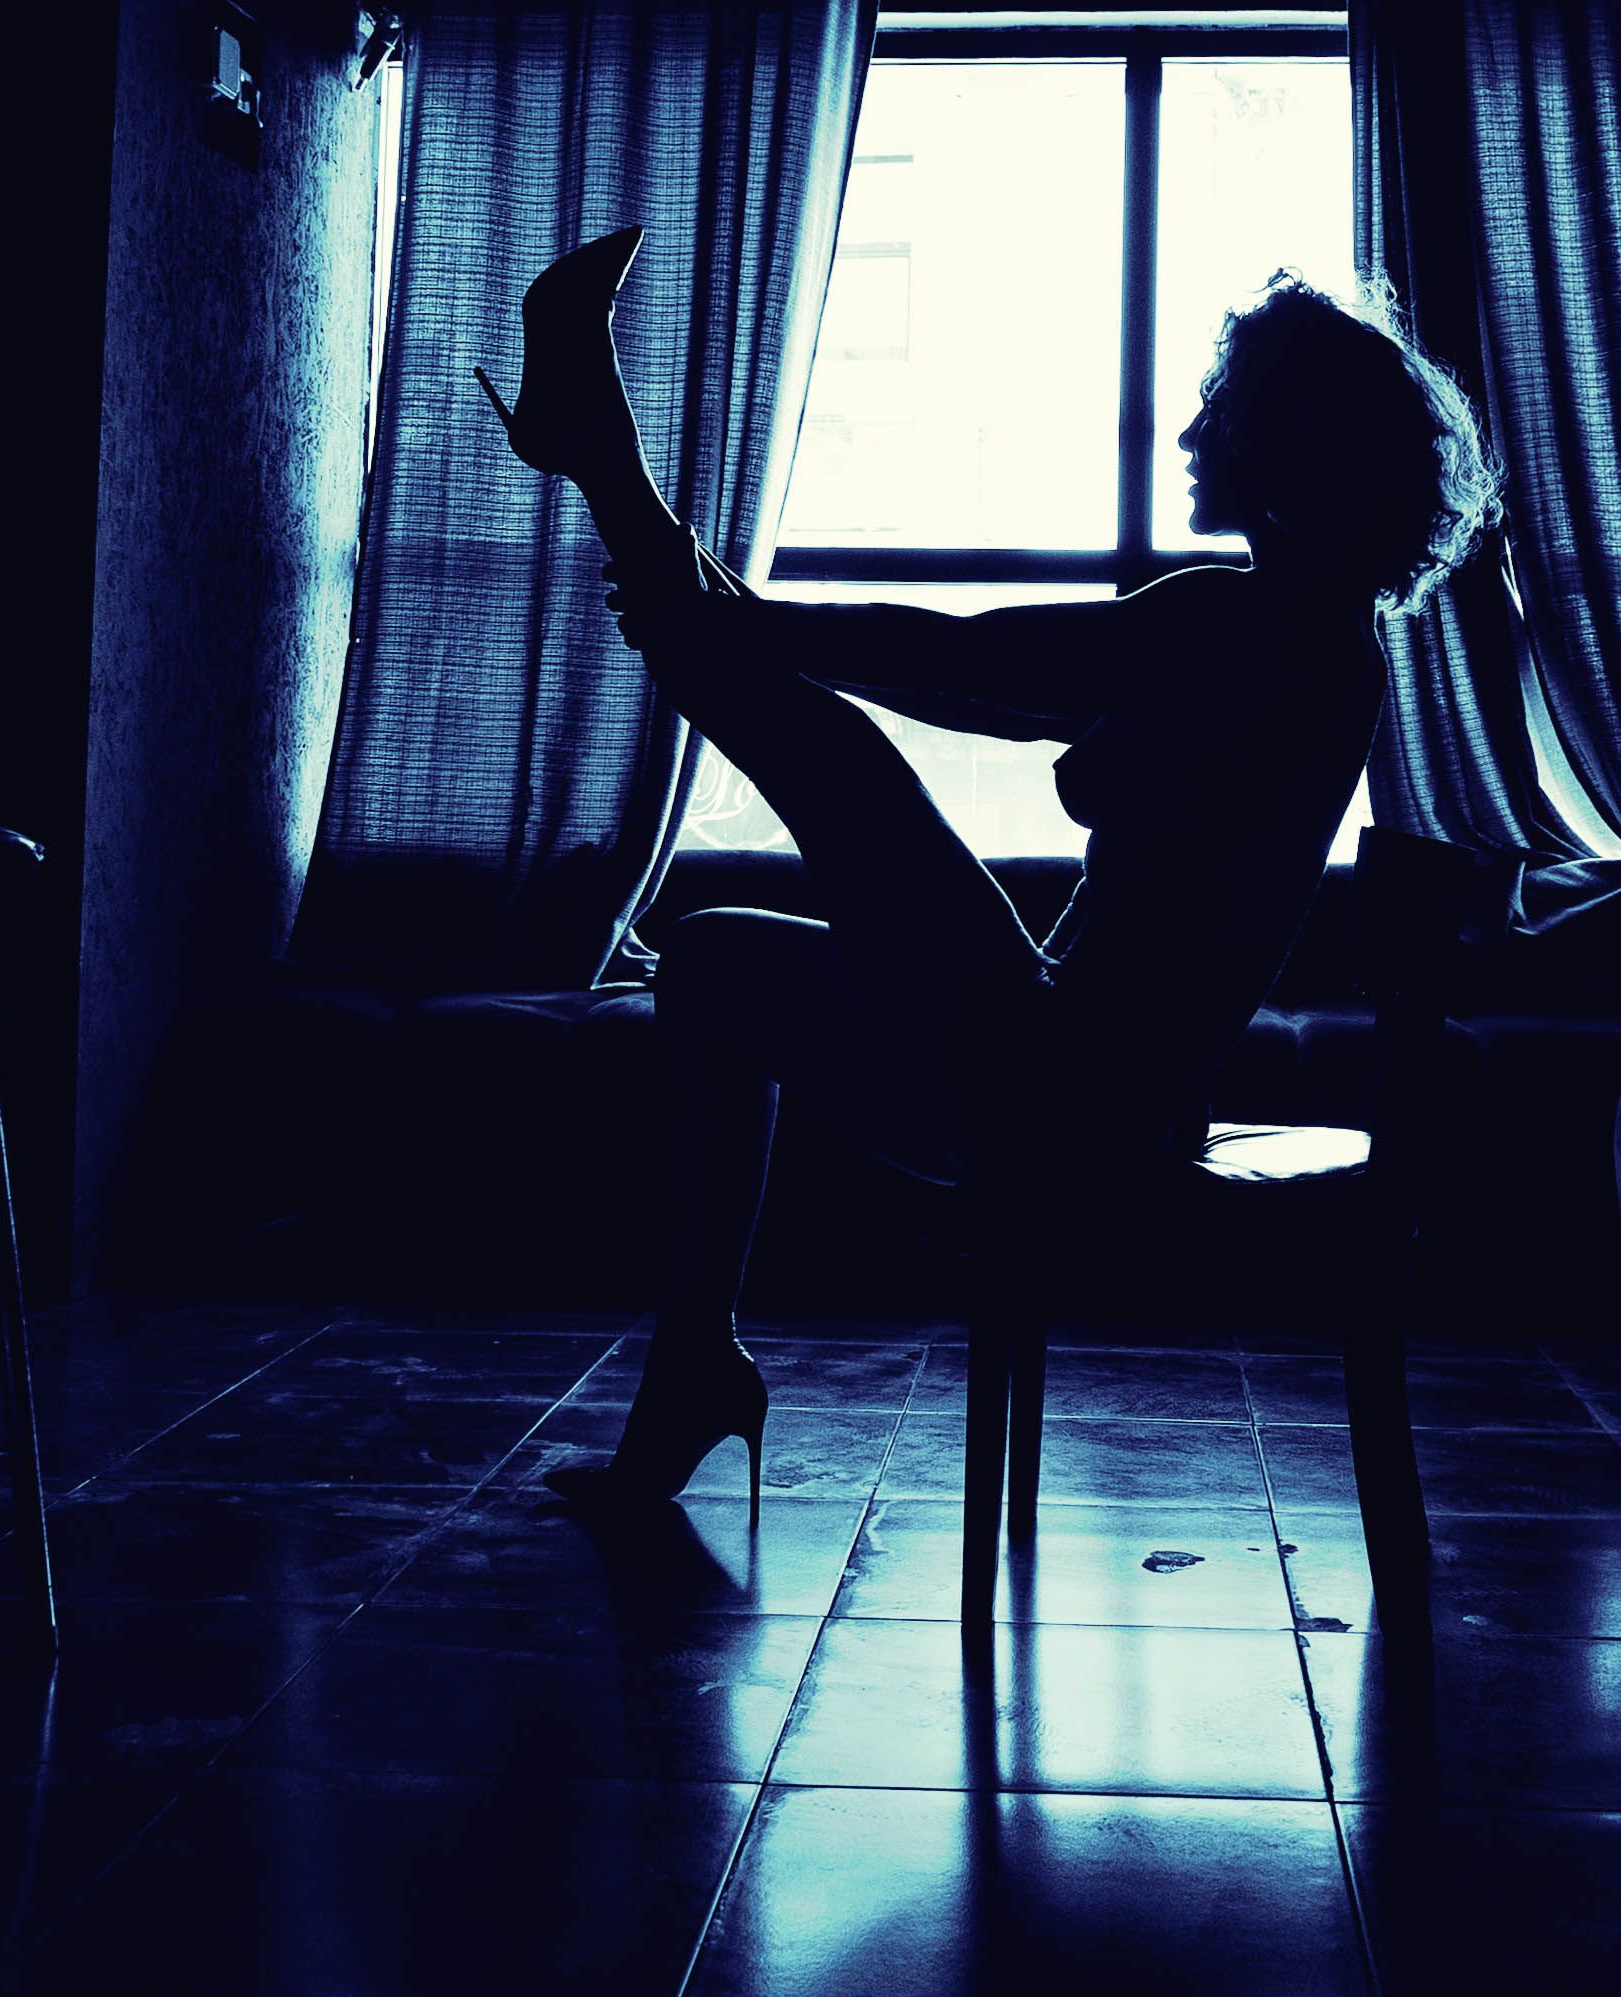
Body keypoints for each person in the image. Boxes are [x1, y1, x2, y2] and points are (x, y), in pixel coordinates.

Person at [471, 224, 1501, 1508]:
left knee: (831, 752)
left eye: (1221, 411)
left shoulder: (1265, 628)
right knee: (716, 953)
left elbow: (976, 665)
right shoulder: (1292, 634)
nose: (1191, 436)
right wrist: (743, 627)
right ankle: (695, 1360)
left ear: (1291, 446)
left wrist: (741, 626)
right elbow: (981, 686)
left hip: (1070, 1094)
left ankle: (596, 449)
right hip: (1057, 1084)